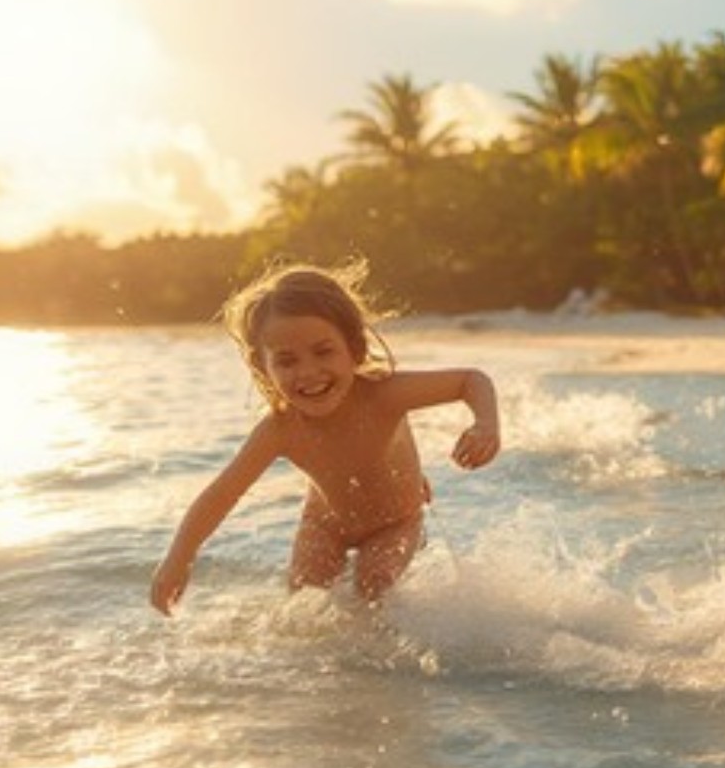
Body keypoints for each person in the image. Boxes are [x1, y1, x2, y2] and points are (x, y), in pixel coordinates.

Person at [150, 259, 500, 614]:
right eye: (286, 361)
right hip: (325, 525)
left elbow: (470, 380)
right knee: (304, 603)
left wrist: (485, 425)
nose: (308, 373)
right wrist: (178, 560)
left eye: (323, 352)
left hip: (396, 521)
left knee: (373, 588)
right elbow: (221, 494)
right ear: (264, 369)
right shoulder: (279, 430)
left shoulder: (384, 394)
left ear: (354, 348)